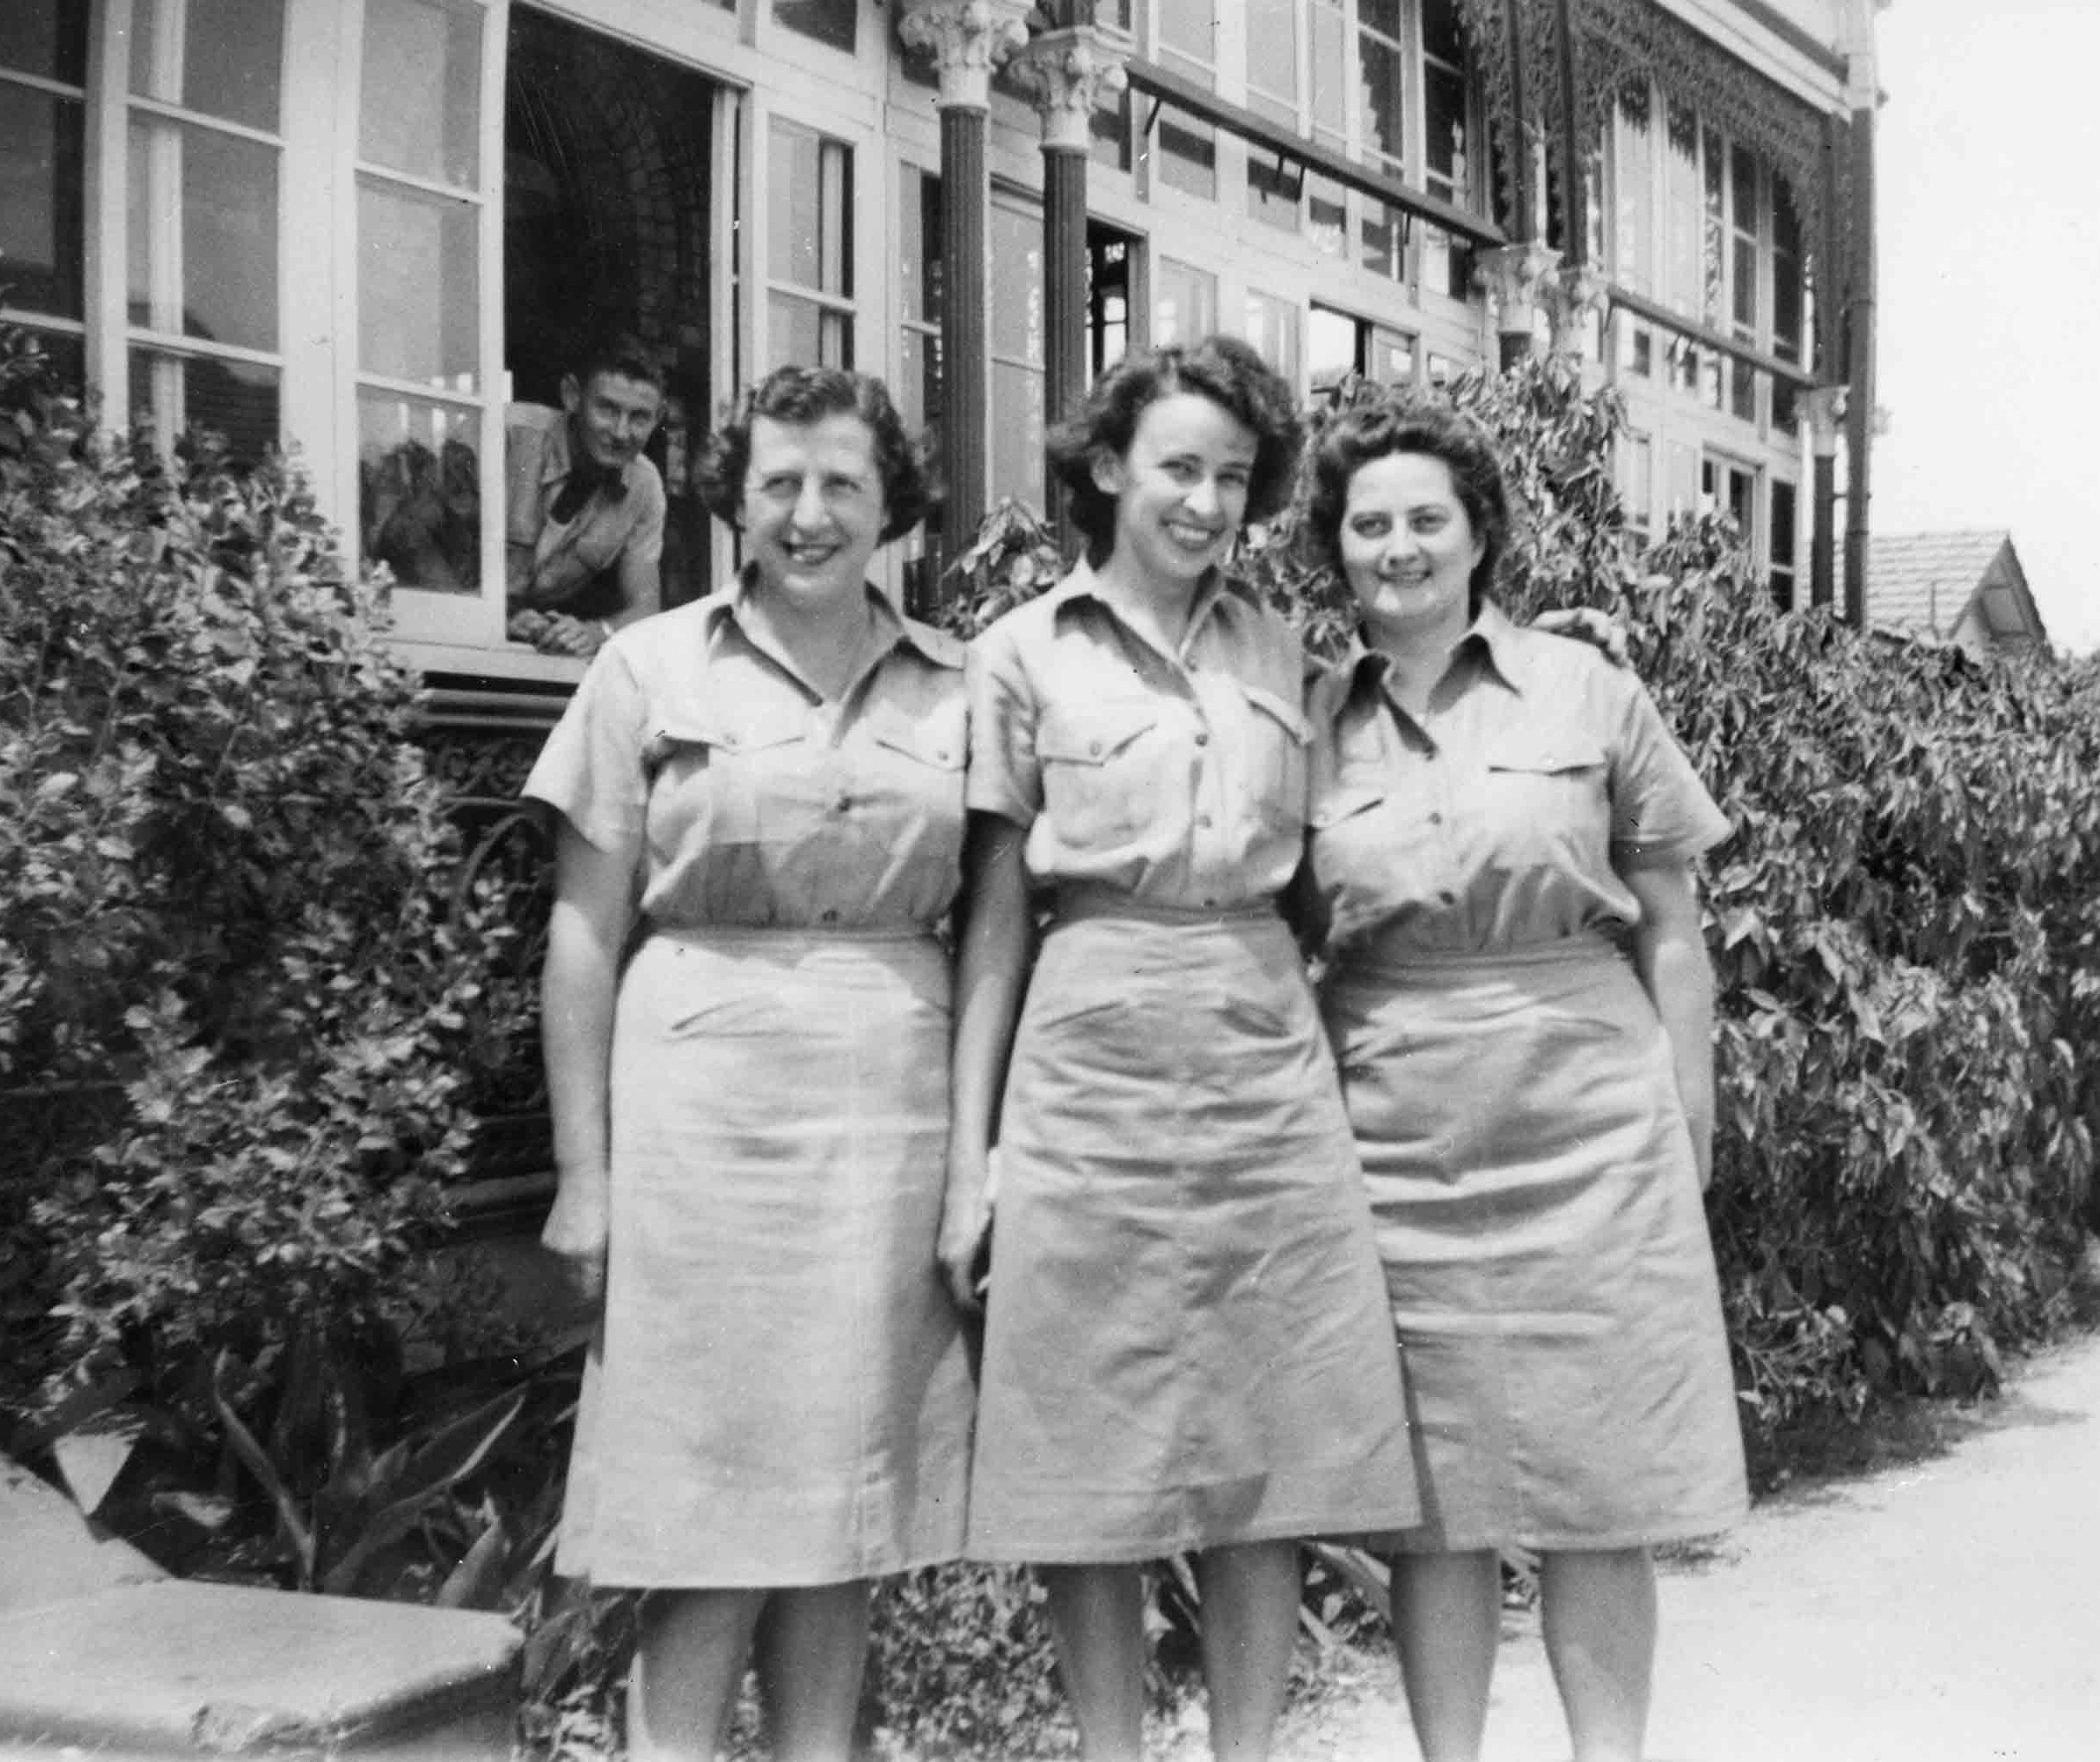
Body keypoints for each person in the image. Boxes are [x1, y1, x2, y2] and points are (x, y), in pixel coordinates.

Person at [945, 337, 1417, 1762]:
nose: (1207, 503)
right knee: (1092, 1440)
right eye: (1178, 469)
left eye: (1232, 477)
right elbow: (989, 917)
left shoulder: (1289, 656)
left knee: (1259, 1443)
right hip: (1088, 1036)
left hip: (1260, 1039)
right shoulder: (1021, 653)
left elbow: (1338, 883)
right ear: (1107, 467)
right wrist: (974, 1155)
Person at [525, 366, 970, 1762]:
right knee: (706, 1511)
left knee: (841, 1511)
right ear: (734, 499)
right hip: (701, 1118)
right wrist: (583, 1177)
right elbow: (584, 934)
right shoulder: (648, 668)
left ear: (891, 501)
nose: (810, 514)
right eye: (779, 483)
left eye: (842, 482)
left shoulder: (965, 684)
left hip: (889, 1118)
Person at [1295, 392, 1748, 1762]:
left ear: (1479, 532)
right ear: (1337, 550)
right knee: (1437, 1502)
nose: (1399, 547)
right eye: (1368, 524)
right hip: (1395, 1126)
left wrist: (1689, 1103)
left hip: (1587, 1118)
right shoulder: (1307, 721)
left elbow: (1671, 923)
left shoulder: (1587, 688)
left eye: (1427, 517)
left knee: (1598, 1489)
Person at [506, 335, 670, 658]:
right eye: (607, 409)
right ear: (572, 395)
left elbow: (646, 606)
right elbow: (414, 535)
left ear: (659, 417)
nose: (622, 433)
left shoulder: (645, 486)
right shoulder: (507, 434)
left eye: (639, 417)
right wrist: (497, 619)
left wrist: (597, 632)